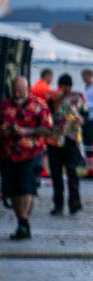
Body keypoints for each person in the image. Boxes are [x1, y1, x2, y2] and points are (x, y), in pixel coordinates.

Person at [0, 77, 52, 240]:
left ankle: (23, 223)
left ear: (28, 89)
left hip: (31, 152)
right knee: (14, 190)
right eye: (15, 90)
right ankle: (22, 223)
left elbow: (48, 130)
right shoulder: (5, 106)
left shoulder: (39, 106)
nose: (17, 94)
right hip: (9, 153)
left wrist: (26, 132)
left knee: (26, 187)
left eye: (21, 91)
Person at [47, 74, 88, 215]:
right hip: (55, 139)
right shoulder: (52, 97)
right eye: (63, 87)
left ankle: (74, 202)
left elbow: (85, 113)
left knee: (72, 171)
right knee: (56, 173)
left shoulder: (78, 97)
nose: (65, 89)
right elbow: (46, 111)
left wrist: (82, 119)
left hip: (71, 138)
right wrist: (55, 99)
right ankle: (58, 204)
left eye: (67, 87)